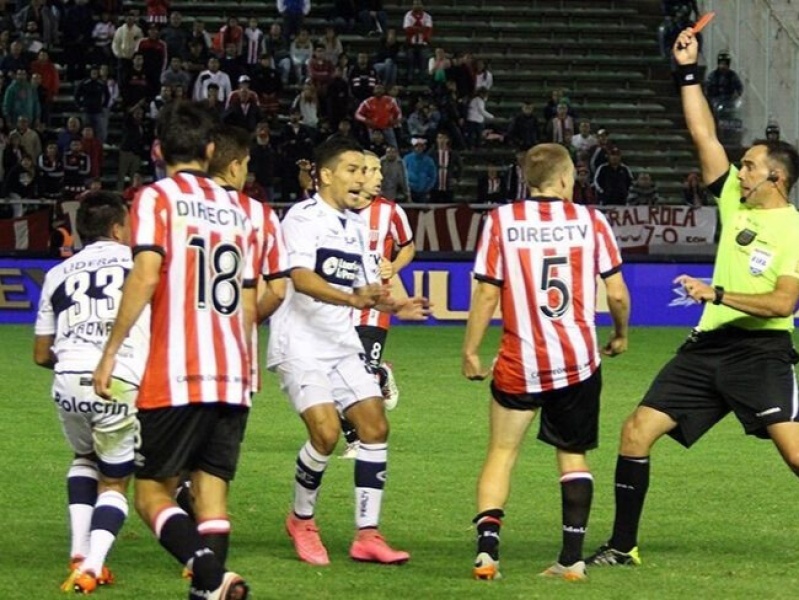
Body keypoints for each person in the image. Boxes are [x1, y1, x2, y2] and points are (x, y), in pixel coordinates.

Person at [587, 26, 799, 570]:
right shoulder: (734, 200)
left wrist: (717, 292)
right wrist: (687, 70)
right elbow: (703, 133)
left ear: (775, 178)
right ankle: (622, 546)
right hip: (707, 348)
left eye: (749, 166)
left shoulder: (794, 230)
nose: (739, 170)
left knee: (796, 455)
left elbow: (783, 306)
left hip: (761, 352)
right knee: (636, 431)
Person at [92, 102, 254, 600]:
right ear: (211, 148)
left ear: (159, 150)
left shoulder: (156, 198)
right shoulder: (238, 209)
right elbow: (249, 295)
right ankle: (209, 591)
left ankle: (210, 576)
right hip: (233, 372)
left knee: (150, 494)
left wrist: (111, 350)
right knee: (211, 496)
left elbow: (146, 274)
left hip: (179, 371)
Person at [462, 142, 630, 582]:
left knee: (501, 453)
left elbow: (487, 292)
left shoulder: (502, 220)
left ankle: (487, 554)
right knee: (572, 456)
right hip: (577, 361)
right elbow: (616, 293)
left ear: (527, 179)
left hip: (520, 360)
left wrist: (471, 350)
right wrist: (620, 334)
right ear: (566, 178)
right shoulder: (591, 221)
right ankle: (571, 560)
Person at [267, 137, 415, 567]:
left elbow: (368, 288)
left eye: (365, 171)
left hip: (339, 342)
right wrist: (352, 300)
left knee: (375, 426)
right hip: (299, 343)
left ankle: (367, 534)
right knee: (327, 434)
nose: (362, 179)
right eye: (353, 170)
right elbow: (300, 277)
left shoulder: (356, 227)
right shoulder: (302, 217)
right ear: (327, 175)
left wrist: (398, 305)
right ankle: (301, 520)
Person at [34, 192, 147, 593]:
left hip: (67, 379)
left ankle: (79, 552)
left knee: (84, 457)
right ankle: (92, 566)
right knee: (115, 482)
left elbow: (40, 353)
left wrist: (74, 363)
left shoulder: (57, 273)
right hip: (117, 379)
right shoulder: (140, 265)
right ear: (117, 229)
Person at [339, 151, 416, 458]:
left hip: (373, 308)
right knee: (335, 378)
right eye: (372, 170)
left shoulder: (390, 212)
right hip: (337, 306)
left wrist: (393, 266)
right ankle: (354, 435)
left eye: (379, 170)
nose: (380, 176)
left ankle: (360, 439)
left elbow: (408, 247)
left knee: (361, 376)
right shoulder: (334, 209)